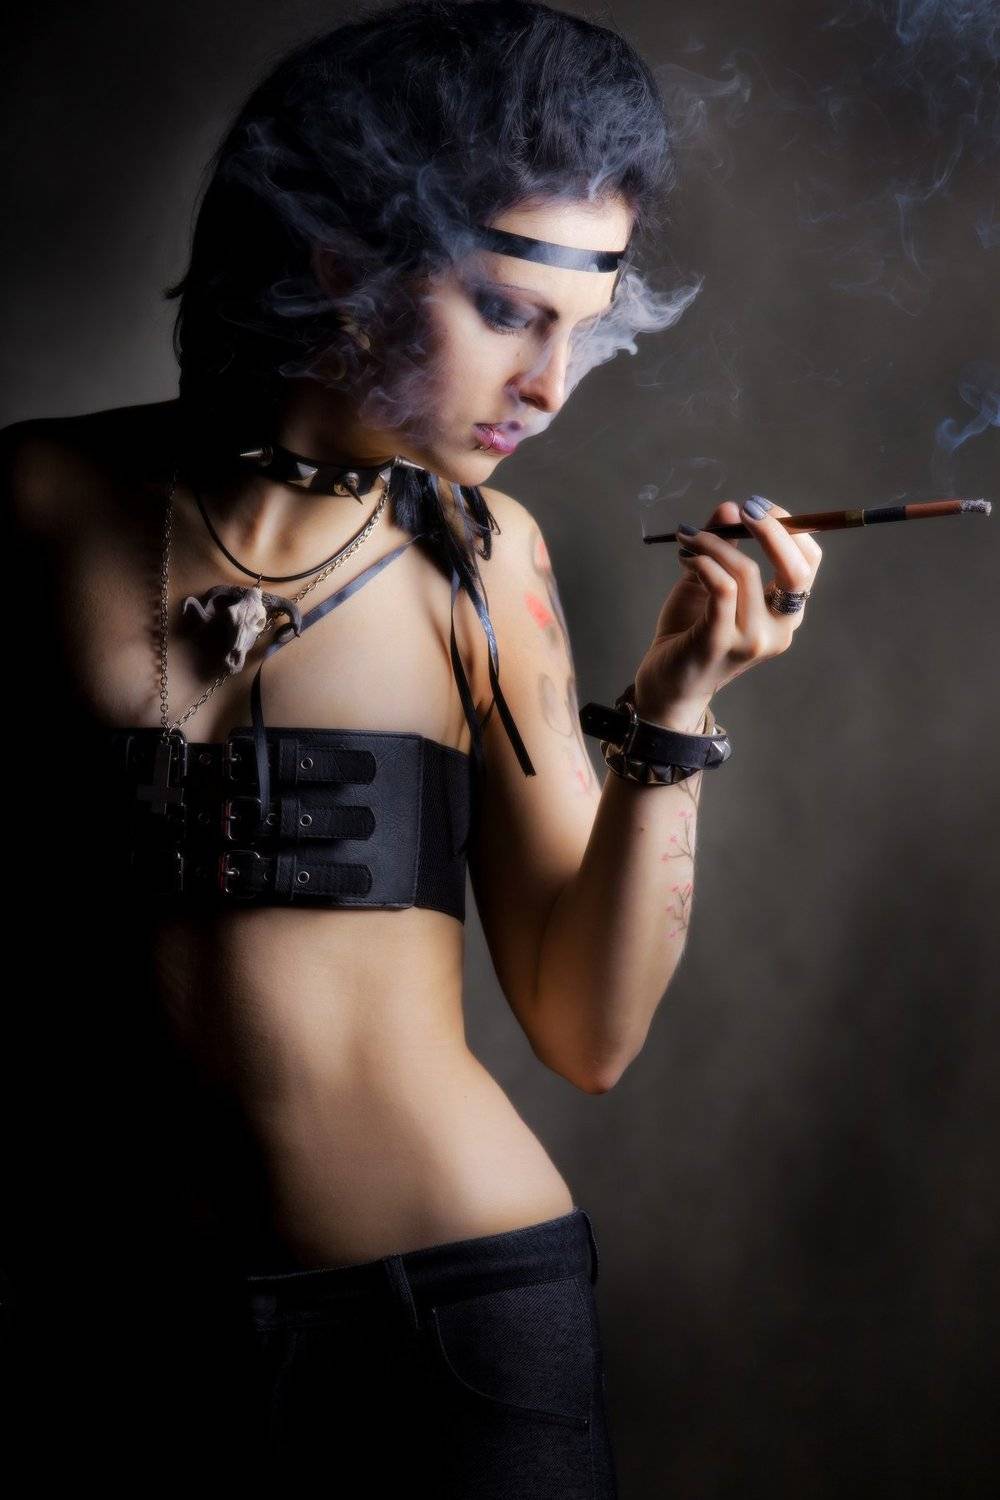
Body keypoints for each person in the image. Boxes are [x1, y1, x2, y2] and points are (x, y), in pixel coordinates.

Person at [1, 1, 822, 1489]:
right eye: (509, 310)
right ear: (347, 259)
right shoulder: (40, 502)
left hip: (450, 1331)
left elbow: (587, 1030)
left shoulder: (485, 562)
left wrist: (677, 706)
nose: (553, 385)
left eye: (584, 325)